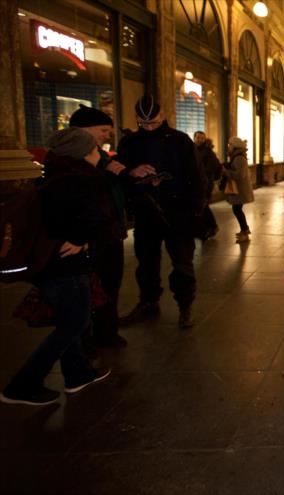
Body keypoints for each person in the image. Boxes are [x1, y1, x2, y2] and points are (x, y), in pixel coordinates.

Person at [1, 128, 116, 406]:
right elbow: (95, 218)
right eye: (93, 148)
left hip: (50, 263)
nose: (98, 152)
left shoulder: (53, 175)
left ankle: (77, 375)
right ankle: (22, 385)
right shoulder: (81, 180)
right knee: (74, 323)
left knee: (71, 320)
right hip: (65, 266)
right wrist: (80, 239)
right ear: (82, 153)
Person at [115, 95, 206, 329]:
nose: (149, 128)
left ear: (162, 116)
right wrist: (134, 174)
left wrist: (196, 210)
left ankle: (185, 305)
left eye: (153, 123)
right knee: (146, 261)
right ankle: (148, 302)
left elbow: (196, 177)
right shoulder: (129, 143)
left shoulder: (180, 141)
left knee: (182, 263)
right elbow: (121, 176)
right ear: (136, 120)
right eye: (144, 124)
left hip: (178, 212)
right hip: (146, 211)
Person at [69, 105, 152, 348]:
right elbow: (79, 196)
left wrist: (130, 174)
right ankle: (86, 341)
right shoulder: (71, 157)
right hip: (88, 236)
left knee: (109, 283)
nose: (108, 135)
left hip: (110, 231)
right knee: (87, 290)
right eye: (103, 130)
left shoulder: (98, 154)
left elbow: (114, 179)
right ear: (82, 130)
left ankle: (106, 332)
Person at [223, 137, 254, 243]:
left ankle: (245, 231)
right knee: (237, 210)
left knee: (237, 210)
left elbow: (239, 175)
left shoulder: (239, 157)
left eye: (230, 145)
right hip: (240, 189)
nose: (228, 147)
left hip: (240, 190)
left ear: (235, 146)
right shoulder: (236, 156)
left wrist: (226, 171)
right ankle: (245, 230)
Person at [194, 130, 220, 239]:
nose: (199, 140)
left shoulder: (209, 153)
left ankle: (212, 227)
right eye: (197, 137)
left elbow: (210, 169)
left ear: (204, 139)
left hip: (206, 184)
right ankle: (206, 229)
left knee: (203, 206)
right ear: (194, 138)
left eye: (201, 138)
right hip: (196, 184)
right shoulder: (193, 150)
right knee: (200, 206)